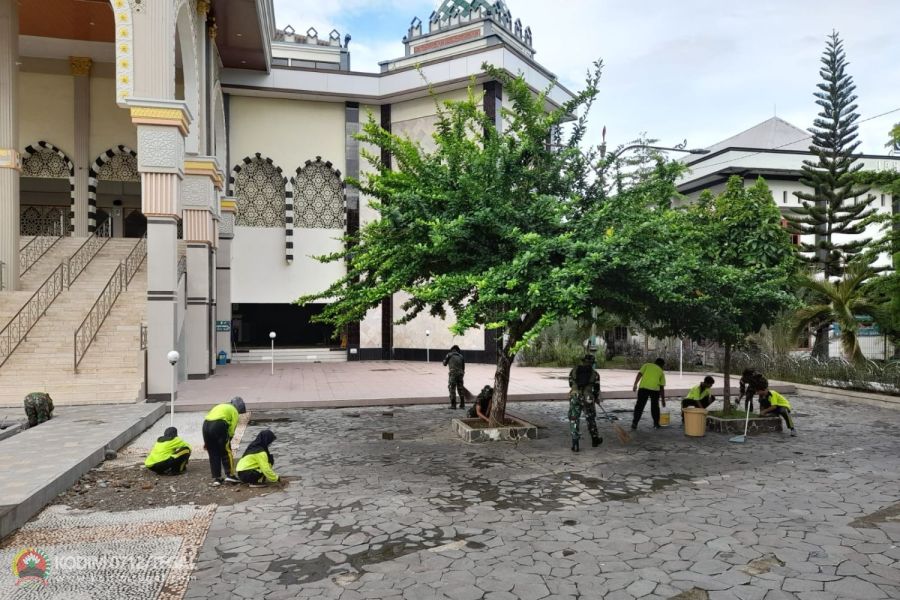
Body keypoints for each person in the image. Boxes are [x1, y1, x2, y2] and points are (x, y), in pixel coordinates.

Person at [202, 396, 246, 485]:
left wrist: (206, 442)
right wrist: (228, 440)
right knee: (226, 452)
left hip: (205, 426)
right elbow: (232, 429)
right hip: (219, 425)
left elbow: (209, 418)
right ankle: (231, 476)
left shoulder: (221, 406)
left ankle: (217, 478)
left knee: (213, 453)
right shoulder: (234, 411)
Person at [568, 355, 602, 452]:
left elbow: (570, 384)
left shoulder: (573, 371)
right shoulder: (595, 374)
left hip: (575, 396)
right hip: (588, 398)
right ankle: (595, 440)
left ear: (583, 361)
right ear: (592, 363)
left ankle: (575, 443)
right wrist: (595, 398)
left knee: (574, 418)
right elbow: (596, 389)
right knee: (590, 418)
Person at [632, 358, 666, 430]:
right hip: (655, 390)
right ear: (662, 365)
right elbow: (661, 387)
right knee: (655, 407)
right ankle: (656, 424)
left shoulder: (647, 365)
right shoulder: (661, 371)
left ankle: (635, 423)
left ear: (655, 362)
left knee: (639, 406)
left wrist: (635, 384)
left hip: (643, 389)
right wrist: (663, 400)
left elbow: (639, 374)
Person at [443, 345, 466, 410]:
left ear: (452, 349)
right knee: (460, 389)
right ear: (458, 350)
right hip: (460, 374)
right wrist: (462, 374)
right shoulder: (461, 356)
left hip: (453, 374)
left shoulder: (449, 355)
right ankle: (462, 404)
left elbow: (444, 364)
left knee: (452, 388)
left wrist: (444, 361)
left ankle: (453, 405)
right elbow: (463, 367)